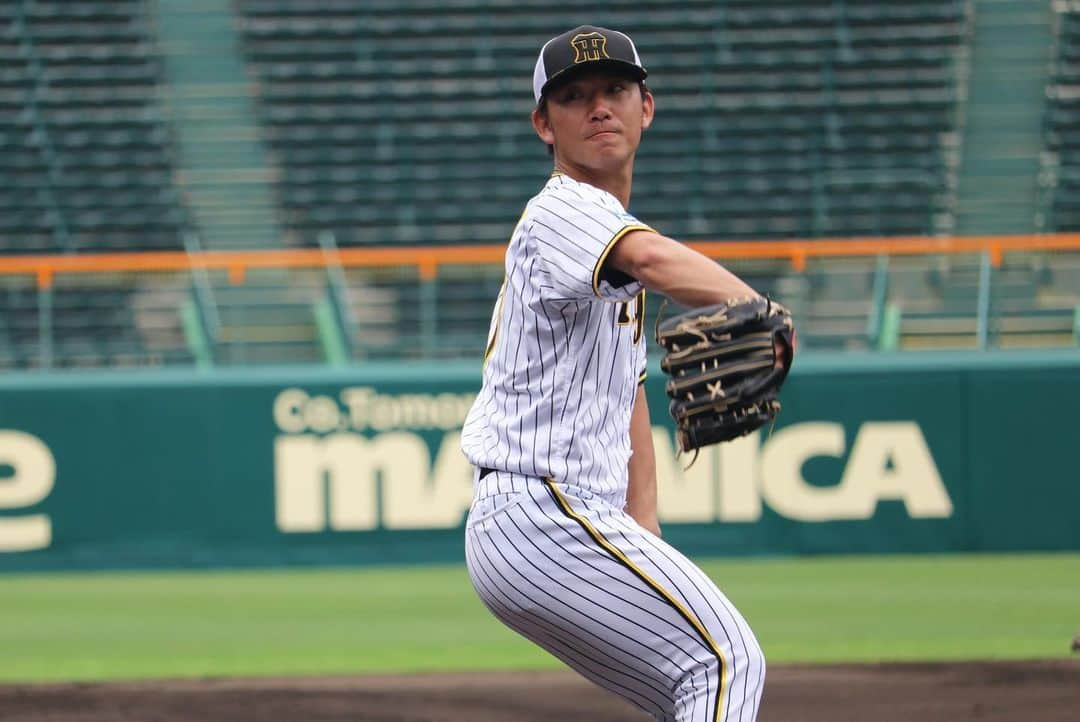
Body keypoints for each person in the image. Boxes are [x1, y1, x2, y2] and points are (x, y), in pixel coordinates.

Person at [460, 25, 767, 722]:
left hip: (553, 519)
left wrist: (645, 526)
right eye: (575, 96)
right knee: (725, 661)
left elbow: (628, 392)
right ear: (544, 123)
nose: (599, 108)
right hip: (544, 511)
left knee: (687, 692)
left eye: (616, 90)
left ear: (646, 106)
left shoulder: (607, 239)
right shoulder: (566, 210)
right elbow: (656, 261)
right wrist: (759, 308)